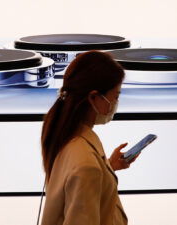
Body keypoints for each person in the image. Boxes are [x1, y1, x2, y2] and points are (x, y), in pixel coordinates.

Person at [40, 50, 139, 225]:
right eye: (115, 96)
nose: (116, 103)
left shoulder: (68, 138)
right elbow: (85, 172)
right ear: (94, 97)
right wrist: (99, 169)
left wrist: (108, 167)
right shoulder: (86, 164)